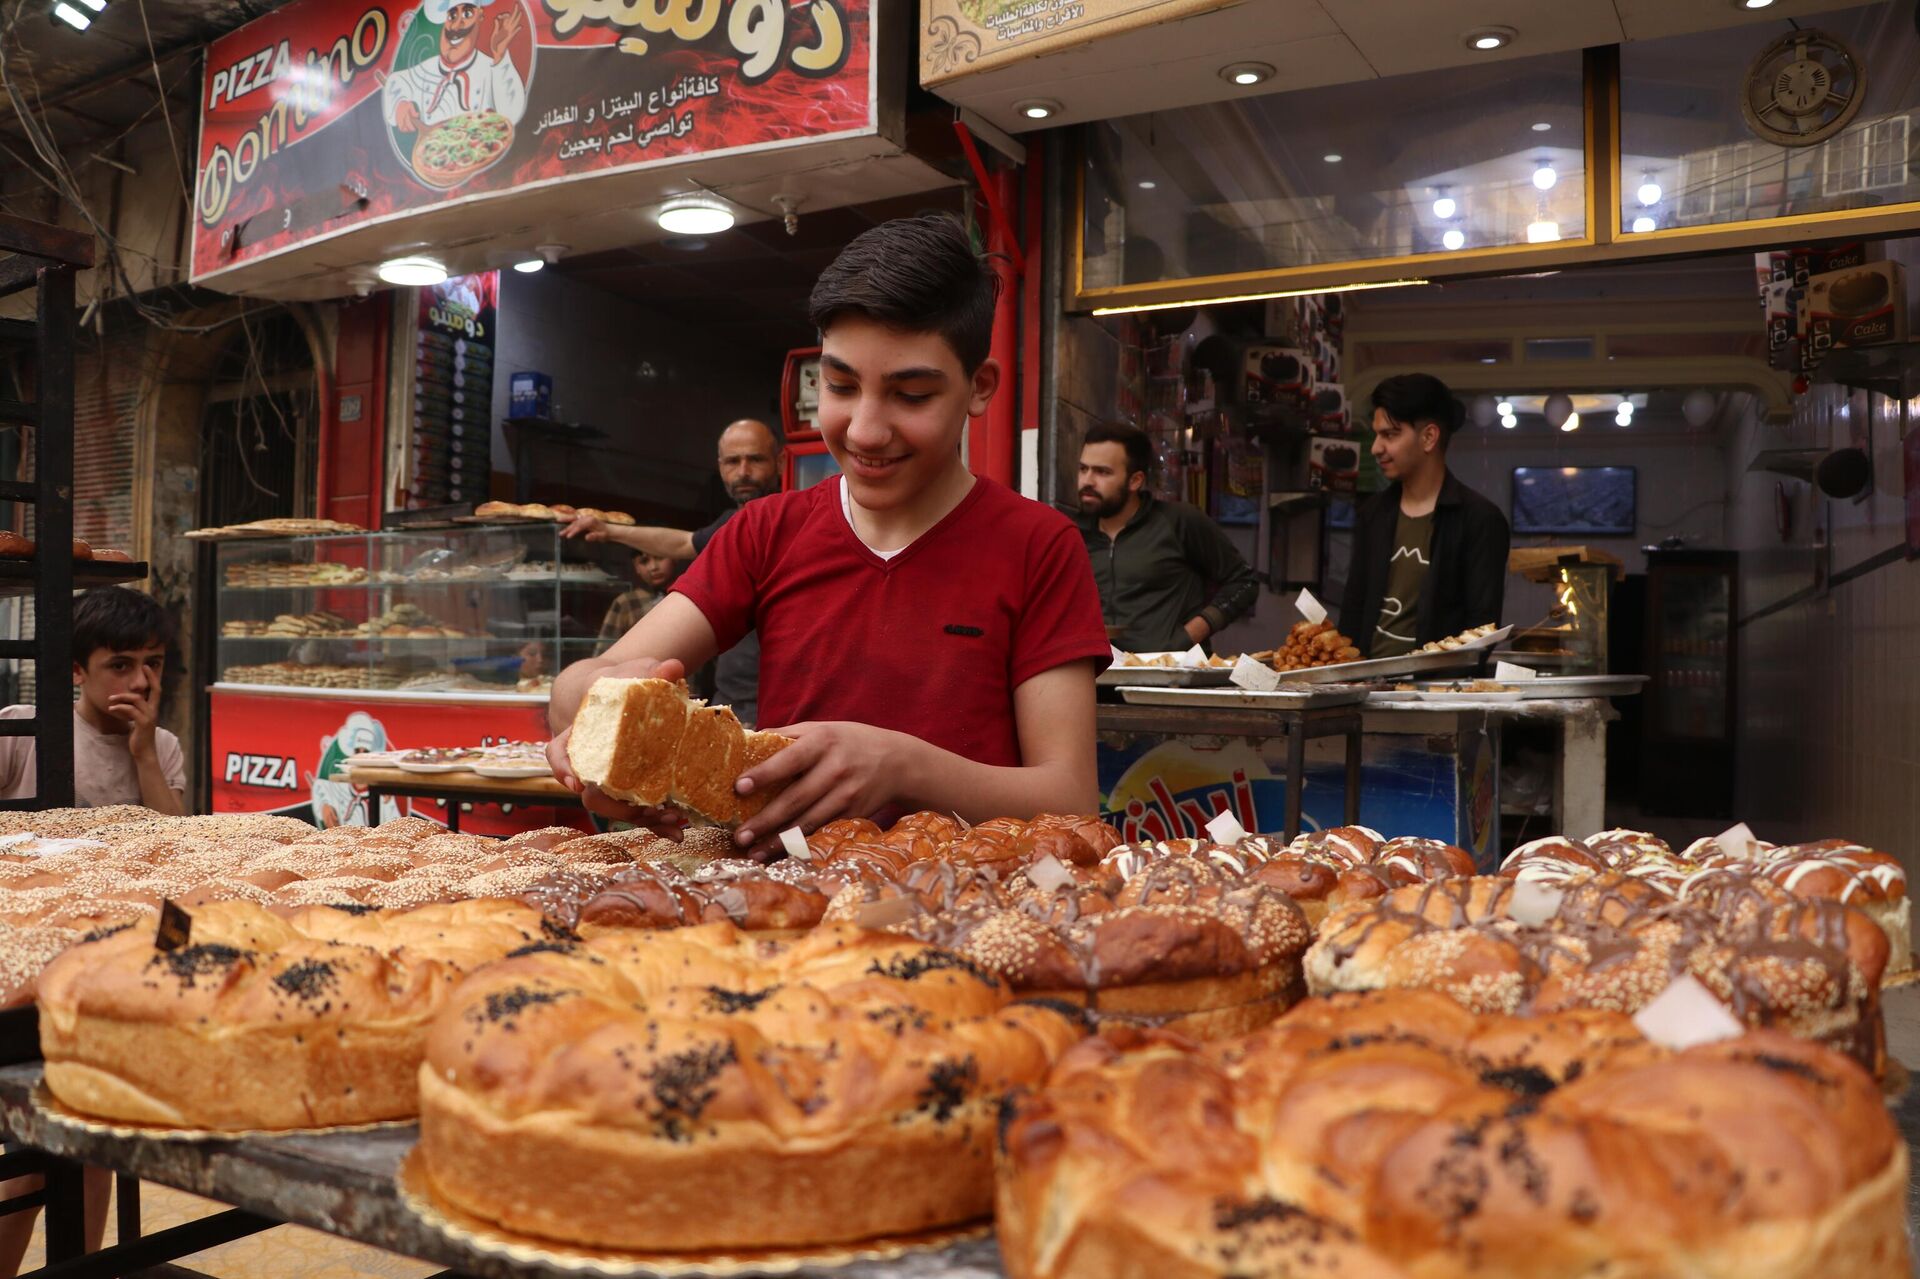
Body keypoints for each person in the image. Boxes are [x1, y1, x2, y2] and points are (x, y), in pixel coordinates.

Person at [545, 214, 1109, 852]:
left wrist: (899, 763)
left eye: (912, 395)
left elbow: (1068, 799)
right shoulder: (767, 531)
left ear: (978, 389)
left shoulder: (1039, 545)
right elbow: (581, 686)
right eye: (841, 386)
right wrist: (593, 705)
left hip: (972, 904)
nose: (865, 430)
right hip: (781, 905)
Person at [563, 418, 783, 725]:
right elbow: (683, 543)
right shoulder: (732, 524)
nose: (743, 471)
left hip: (782, 710)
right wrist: (610, 531)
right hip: (731, 708)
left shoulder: (794, 519)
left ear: (780, 461)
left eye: (755, 459)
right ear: (720, 467)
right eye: (733, 461)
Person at [1339, 374, 1510, 658]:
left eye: (1390, 435)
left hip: (1436, 693)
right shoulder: (1373, 513)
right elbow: (1353, 610)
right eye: (1376, 434)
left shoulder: (1480, 519)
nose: (1376, 448)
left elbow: (1482, 630)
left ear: (1429, 437)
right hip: (1365, 685)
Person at [1067, 422, 1259, 653]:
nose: (1087, 481)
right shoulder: (1069, 534)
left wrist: (1189, 635)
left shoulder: (1179, 521)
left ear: (1135, 481)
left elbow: (1244, 582)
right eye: (1083, 469)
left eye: (1102, 472)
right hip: (1096, 678)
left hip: (1169, 679)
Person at [0, 587, 185, 813]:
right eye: (120, 666)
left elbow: (175, 837)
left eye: (153, 664)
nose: (141, 682)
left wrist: (146, 754)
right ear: (77, 671)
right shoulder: (22, 729)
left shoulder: (162, 745)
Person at [382, 1, 527, 135]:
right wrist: (399, 105)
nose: (456, 26)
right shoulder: (425, 71)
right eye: (452, 15)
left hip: (482, 151)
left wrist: (500, 57)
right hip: (435, 157)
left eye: (467, 14)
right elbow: (395, 82)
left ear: (480, 17)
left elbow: (511, 114)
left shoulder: (493, 68)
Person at [595, 550, 675, 654]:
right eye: (644, 561)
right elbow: (605, 649)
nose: (653, 567)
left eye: (660, 558)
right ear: (636, 567)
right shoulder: (626, 602)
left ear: (674, 557)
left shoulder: (686, 596)